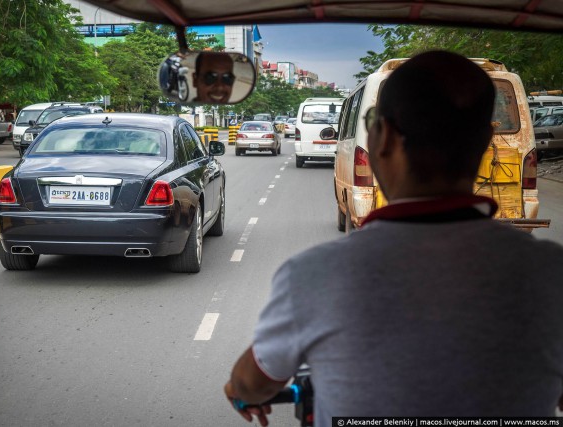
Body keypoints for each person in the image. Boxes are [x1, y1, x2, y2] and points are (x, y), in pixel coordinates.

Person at [224, 50, 563, 426]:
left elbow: (251, 382)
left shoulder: (314, 274)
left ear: (381, 137)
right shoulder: (550, 272)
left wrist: (240, 390)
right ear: (485, 139)